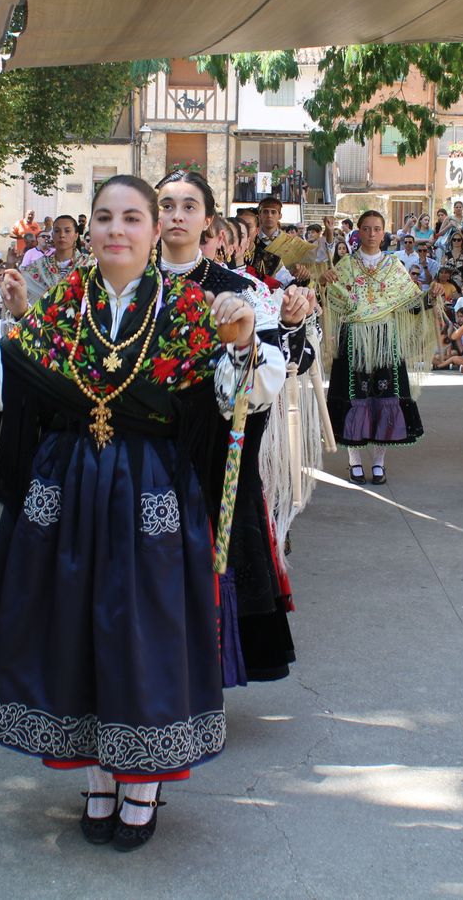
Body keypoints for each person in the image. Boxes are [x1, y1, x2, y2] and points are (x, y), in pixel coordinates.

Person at [0, 174, 281, 852]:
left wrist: (241, 344)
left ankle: (142, 781)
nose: (116, 230)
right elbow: (4, 390)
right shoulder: (62, 304)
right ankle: (98, 775)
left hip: (150, 491)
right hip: (67, 491)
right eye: (104, 217)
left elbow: (240, 398)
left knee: (143, 630)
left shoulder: (190, 309)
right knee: (70, 625)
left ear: (155, 231)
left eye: (132, 218)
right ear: (88, 228)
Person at [156, 169, 315, 685]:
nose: (176, 216)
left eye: (189, 206)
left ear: (208, 221)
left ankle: (202, 683)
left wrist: (282, 327)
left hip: (215, 456)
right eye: (166, 205)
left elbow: (280, 370)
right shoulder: (127, 283)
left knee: (211, 568)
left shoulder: (240, 289)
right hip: (141, 453)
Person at [321, 210, 434, 485]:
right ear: (358, 232)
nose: (372, 233)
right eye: (367, 228)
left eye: (377, 228)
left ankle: (379, 463)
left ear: (384, 233)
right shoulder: (346, 265)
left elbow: (411, 302)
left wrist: (432, 296)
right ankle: (354, 462)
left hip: (386, 340)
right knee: (354, 400)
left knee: (384, 399)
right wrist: (322, 284)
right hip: (353, 339)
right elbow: (329, 299)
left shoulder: (394, 266)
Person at [21, 213, 86, 300]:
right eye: (57, 231)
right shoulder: (39, 265)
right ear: (52, 235)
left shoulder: (87, 264)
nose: (62, 235)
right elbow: (23, 283)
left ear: (76, 236)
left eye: (67, 231)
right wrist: (10, 265)